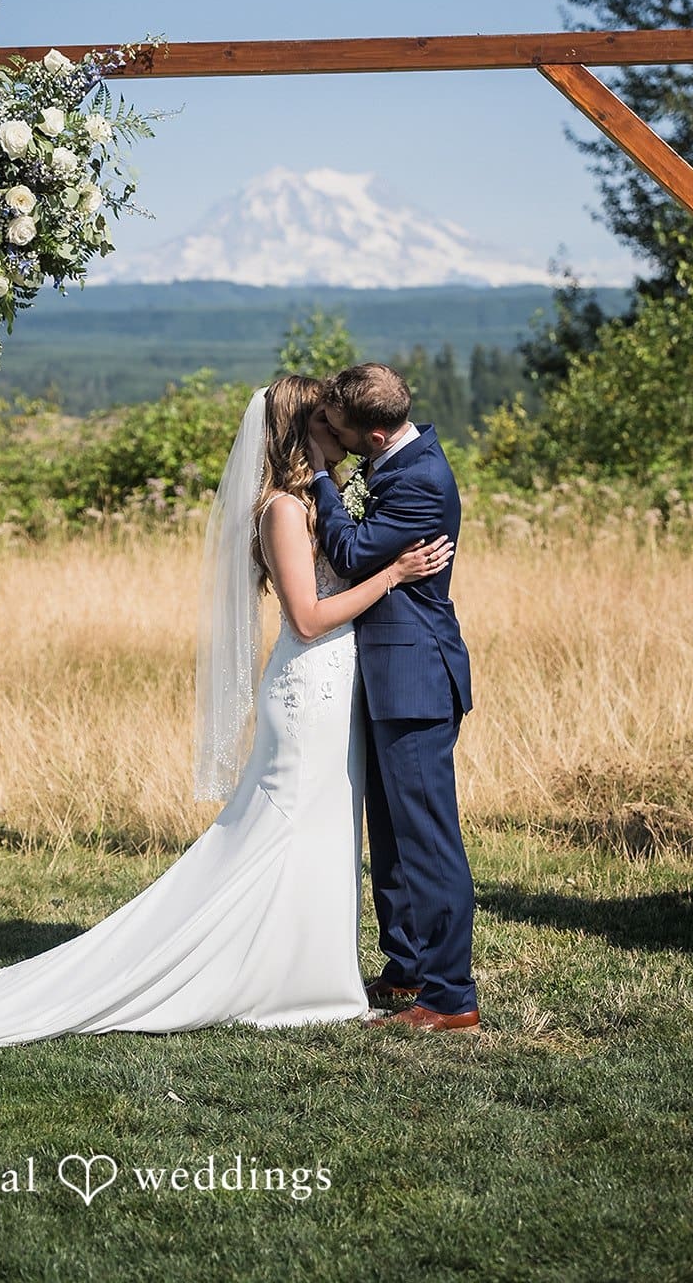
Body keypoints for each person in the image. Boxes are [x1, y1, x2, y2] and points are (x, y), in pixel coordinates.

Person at [0, 376, 452, 1079]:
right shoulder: (282, 509)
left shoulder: (314, 500)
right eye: (329, 423)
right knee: (280, 833)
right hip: (308, 690)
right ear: (302, 431)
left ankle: (306, 968)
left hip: (331, 687)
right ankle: (274, 975)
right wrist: (395, 575)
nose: (343, 434)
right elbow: (309, 617)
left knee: (319, 834)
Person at [306, 363, 478, 1032]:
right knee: (394, 835)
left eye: (336, 427)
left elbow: (349, 553)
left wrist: (321, 477)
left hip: (416, 679)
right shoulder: (396, 463)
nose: (329, 434)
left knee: (428, 840)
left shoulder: (421, 481)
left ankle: (450, 996)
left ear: (371, 432)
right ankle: (406, 968)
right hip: (388, 674)